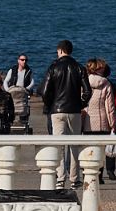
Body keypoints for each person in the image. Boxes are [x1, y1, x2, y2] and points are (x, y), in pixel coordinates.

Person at [39, 40, 92, 188]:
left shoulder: (54, 67)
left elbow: (43, 91)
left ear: (60, 51)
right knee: (74, 145)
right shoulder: (79, 68)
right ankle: (75, 179)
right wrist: (80, 104)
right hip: (74, 111)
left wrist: (50, 104)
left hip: (57, 111)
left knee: (59, 145)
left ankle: (60, 178)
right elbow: (88, 92)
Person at [82, 58, 116, 183]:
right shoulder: (106, 83)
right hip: (103, 122)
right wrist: (113, 124)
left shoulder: (83, 82)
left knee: (88, 149)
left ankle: (86, 174)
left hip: (87, 121)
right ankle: (99, 176)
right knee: (101, 152)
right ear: (99, 69)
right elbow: (110, 107)